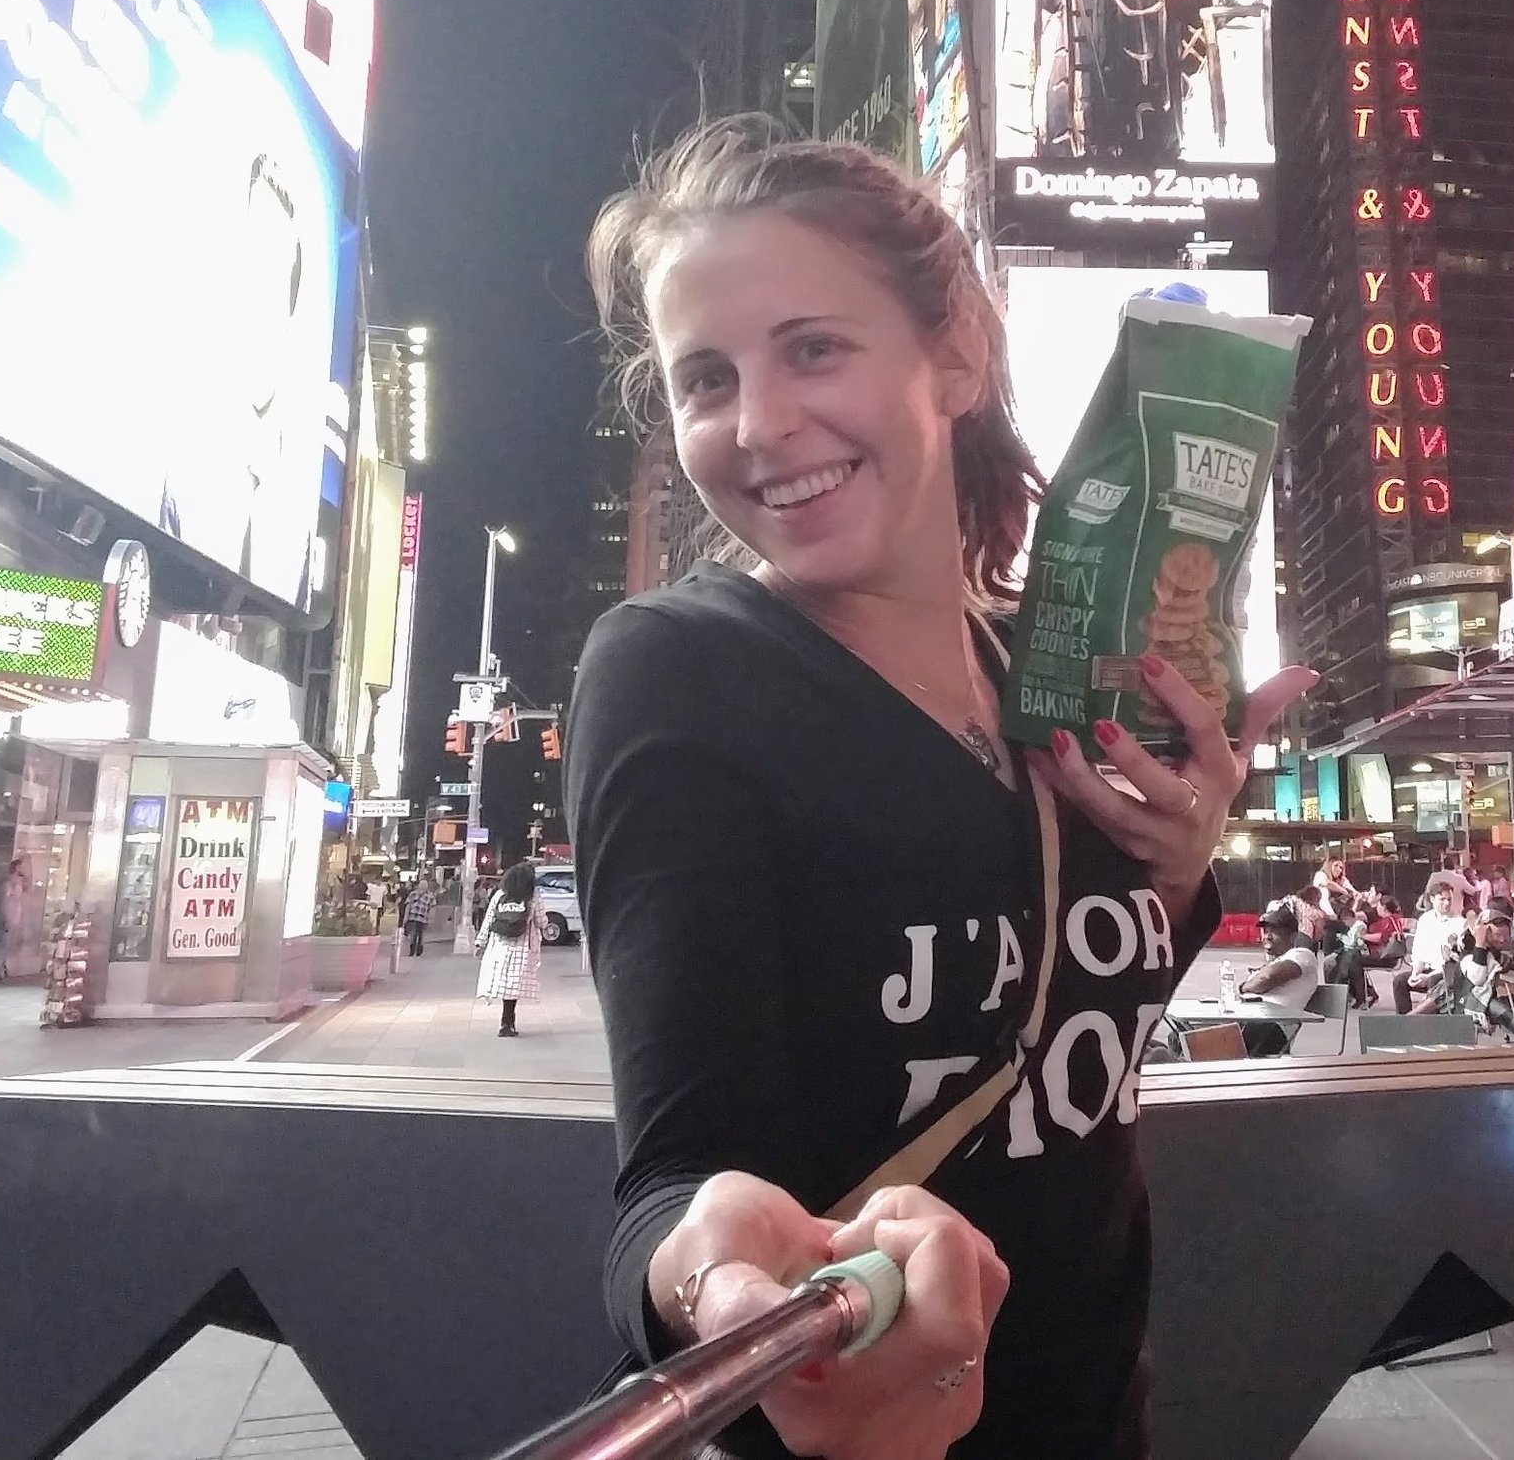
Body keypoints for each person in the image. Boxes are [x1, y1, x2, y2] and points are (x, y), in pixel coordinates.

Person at [568, 119, 1315, 1458]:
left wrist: (1181, 863)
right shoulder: (679, 671)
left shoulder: (1052, 664)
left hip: (1101, 1416)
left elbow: (1086, 1018)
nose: (762, 422)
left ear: (954, 351)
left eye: (813, 346)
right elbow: (669, 1182)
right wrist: (714, 1286)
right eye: (706, 377)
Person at [1231, 900, 1324, 1057]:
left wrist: (1244, 986)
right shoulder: (1275, 961)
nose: (1267, 936)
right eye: (1265, 931)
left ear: (1293, 936)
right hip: (1249, 1020)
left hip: (1270, 1027)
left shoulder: (1301, 954)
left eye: (1274, 931)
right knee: (1181, 1036)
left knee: (1205, 1046)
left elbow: (1267, 978)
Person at [474, 858, 541, 1037]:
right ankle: (508, 1023)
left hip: (499, 945)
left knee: (504, 984)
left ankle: (506, 1022)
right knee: (514, 986)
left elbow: (488, 920)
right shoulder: (532, 897)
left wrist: (480, 942)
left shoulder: (499, 895)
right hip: (521, 947)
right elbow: (541, 921)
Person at [1404, 877, 1471, 1012]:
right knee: (1399, 982)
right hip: (1425, 967)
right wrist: (1415, 973)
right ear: (1432, 899)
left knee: (1433, 982)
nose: (1446, 903)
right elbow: (1418, 951)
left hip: (1444, 971)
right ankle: (1403, 1020)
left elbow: (1455, 961)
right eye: (1442, 899)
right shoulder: (1425, 920)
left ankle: (1429, 1022)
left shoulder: (1459, 923)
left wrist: (1428, 976)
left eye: (1449, 899)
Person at [400, 871, 436, 957]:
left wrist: (431, 918)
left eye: (424, 885)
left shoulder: (429, 896)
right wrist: (406, 917)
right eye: (422, 885)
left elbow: (433, 907)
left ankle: (419, 948)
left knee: (421, 934)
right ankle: (412, 949)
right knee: (413, 933)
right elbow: (408, 905)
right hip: (413, 917)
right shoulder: (413, 894)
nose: (423, 886)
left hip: (423, 918)